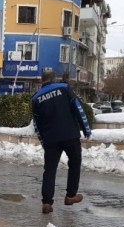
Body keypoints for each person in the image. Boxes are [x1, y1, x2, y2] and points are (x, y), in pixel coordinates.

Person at [31, 70, 92, 214]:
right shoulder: (64, 88)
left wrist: (43, 141)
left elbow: (36, 124)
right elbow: (78, 108)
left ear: (42, 81)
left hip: (50, 139)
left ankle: (47, 203)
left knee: (49, 170)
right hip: (69, 134)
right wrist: (86, 129)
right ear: (54, 79)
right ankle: (70, 195)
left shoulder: (35, 98)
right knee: (75, 162)